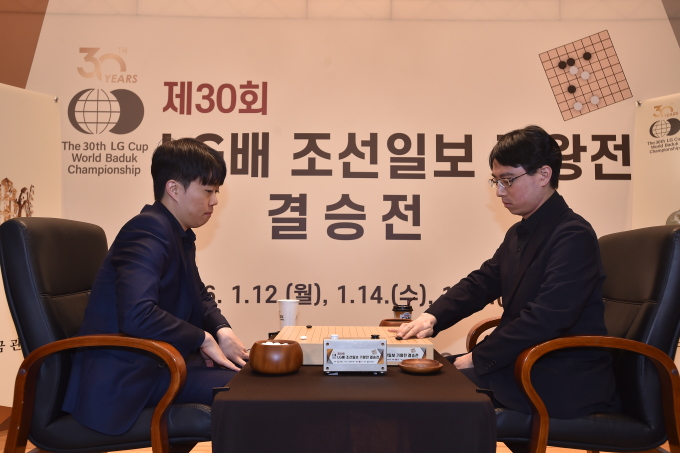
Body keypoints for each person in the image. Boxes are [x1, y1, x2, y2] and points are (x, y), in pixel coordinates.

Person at [394, 125, 619, 452]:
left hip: (557, 375)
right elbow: (482, 282)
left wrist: (477, 358)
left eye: (508, 180)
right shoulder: (518, 233)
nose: (500, 191)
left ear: (543, 175)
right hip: (521, 361)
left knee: (436, 394)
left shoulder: (574, 235)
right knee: (420, 382)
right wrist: (432, 317)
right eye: (495, 181)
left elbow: (547, 318)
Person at [63, 138, 248, 435]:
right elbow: (137, 314)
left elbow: (198, 295)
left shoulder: (177, 233)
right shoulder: (147, 230)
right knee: (250, 392)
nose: (214, 201)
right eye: (208, 191)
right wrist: (202, 338)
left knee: (254, 381)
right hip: (129, 378)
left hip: (159, 364)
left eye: (217, 191)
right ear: (174, 189)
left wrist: (221, 330)